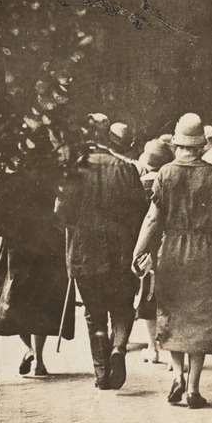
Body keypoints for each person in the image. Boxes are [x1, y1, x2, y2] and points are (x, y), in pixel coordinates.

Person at [132, 114, 212, 409]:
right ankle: (194, 388)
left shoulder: (165, 174)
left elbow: (152, 218)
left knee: (172, 315)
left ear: (177, 143)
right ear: (200, 145)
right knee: (200, 319)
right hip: (206, 253)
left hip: (172, 250)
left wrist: (138, 252)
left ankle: (178, 375)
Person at [55, 112, 147, 390]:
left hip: (85, 252)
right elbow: (142, 213)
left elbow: (60, 214)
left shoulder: (74, 172)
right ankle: (119, 349)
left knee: (94, 314)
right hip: (121, 253)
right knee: (121, 308)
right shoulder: (126, 169)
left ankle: (101, 374)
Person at [0, 160, 75, 376]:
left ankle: (29, 350)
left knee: (16, 298)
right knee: (42, 300)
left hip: (17, 245)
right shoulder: (52, 175)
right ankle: (39, 360)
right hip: (48, 245)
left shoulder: (8, 179)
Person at [135, 139, 174, 364]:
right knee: (169, 297)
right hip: (170, 243)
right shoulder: (172, 180)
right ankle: (170, 349)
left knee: (147, 297)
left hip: (149, 244)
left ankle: (152, 346)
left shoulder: (141, 184)